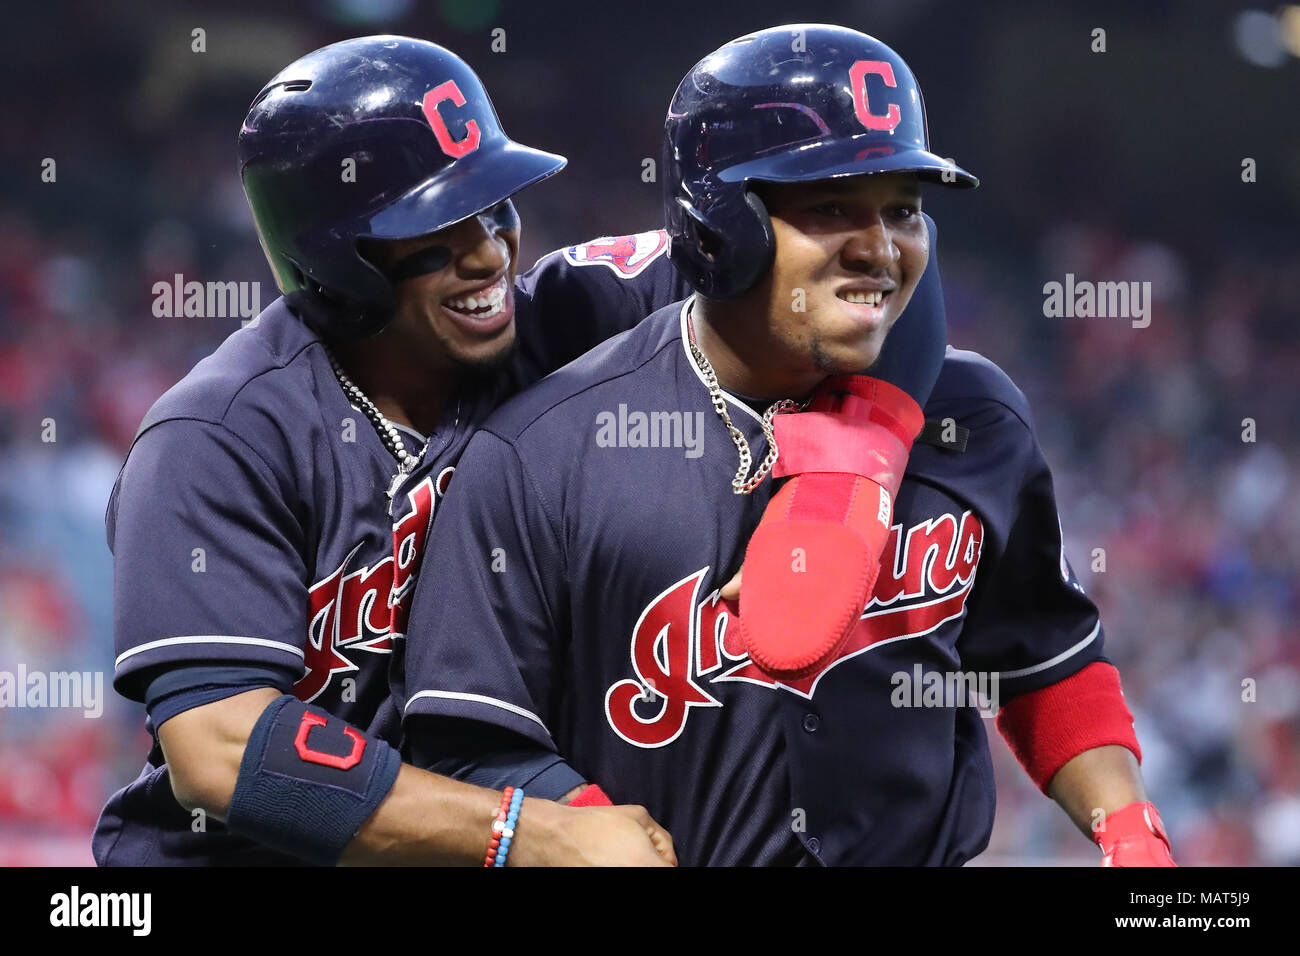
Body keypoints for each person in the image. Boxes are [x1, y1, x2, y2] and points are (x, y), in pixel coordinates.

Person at [93, 32, 951, 866]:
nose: (488, 254)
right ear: (331, 256)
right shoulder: (220, 437)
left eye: (494, 206)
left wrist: (837, 488)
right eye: (435, 232)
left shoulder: (561, 316)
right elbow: (222, 750)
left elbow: (870, 272)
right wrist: (527, 831)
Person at [398, 24, 1177, 866]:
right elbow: (472, 739)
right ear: (720, 224)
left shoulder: (977, 416)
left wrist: (1129, 827)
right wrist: (586, 831)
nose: (880, 249)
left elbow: (1045, 658)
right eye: (833, 207)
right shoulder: (538, 452)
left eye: (905, 211)